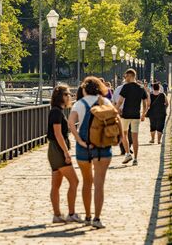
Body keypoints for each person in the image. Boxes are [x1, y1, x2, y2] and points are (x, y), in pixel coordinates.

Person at [68, 76, 127, 229]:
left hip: (84, 147)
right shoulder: (105, 102)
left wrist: (79, 140)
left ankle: (87, 216)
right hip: (103, 145)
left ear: (84, 89)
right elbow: (117, 118)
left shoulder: (79, 104)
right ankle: (97, 218)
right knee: (99, 184)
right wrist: (119, 137)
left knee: (87, 182)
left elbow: (70, 123)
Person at [47, 85, 81, 223]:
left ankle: (57, 215)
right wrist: (66, 153)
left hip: (54, 150)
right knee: (74, 181)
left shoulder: (56, 111)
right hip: (58, 150)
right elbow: (58, 133)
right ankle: (71, 213)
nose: (70, 97)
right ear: (62, 97)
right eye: (68, 94)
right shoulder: (56, 112)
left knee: (56, 184)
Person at [115, 69, 149, 166]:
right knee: (135, 138)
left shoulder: (126, 87)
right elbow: (145, 102)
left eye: (126, 76)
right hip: (136, 115)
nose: (125, 78)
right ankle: (136, 159)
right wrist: (143, 113)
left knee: (123, 134)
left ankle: (127, 153)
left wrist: (115, 110)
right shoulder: (141, 87)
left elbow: (120, 101)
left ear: (130, 76)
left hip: (126, 115)